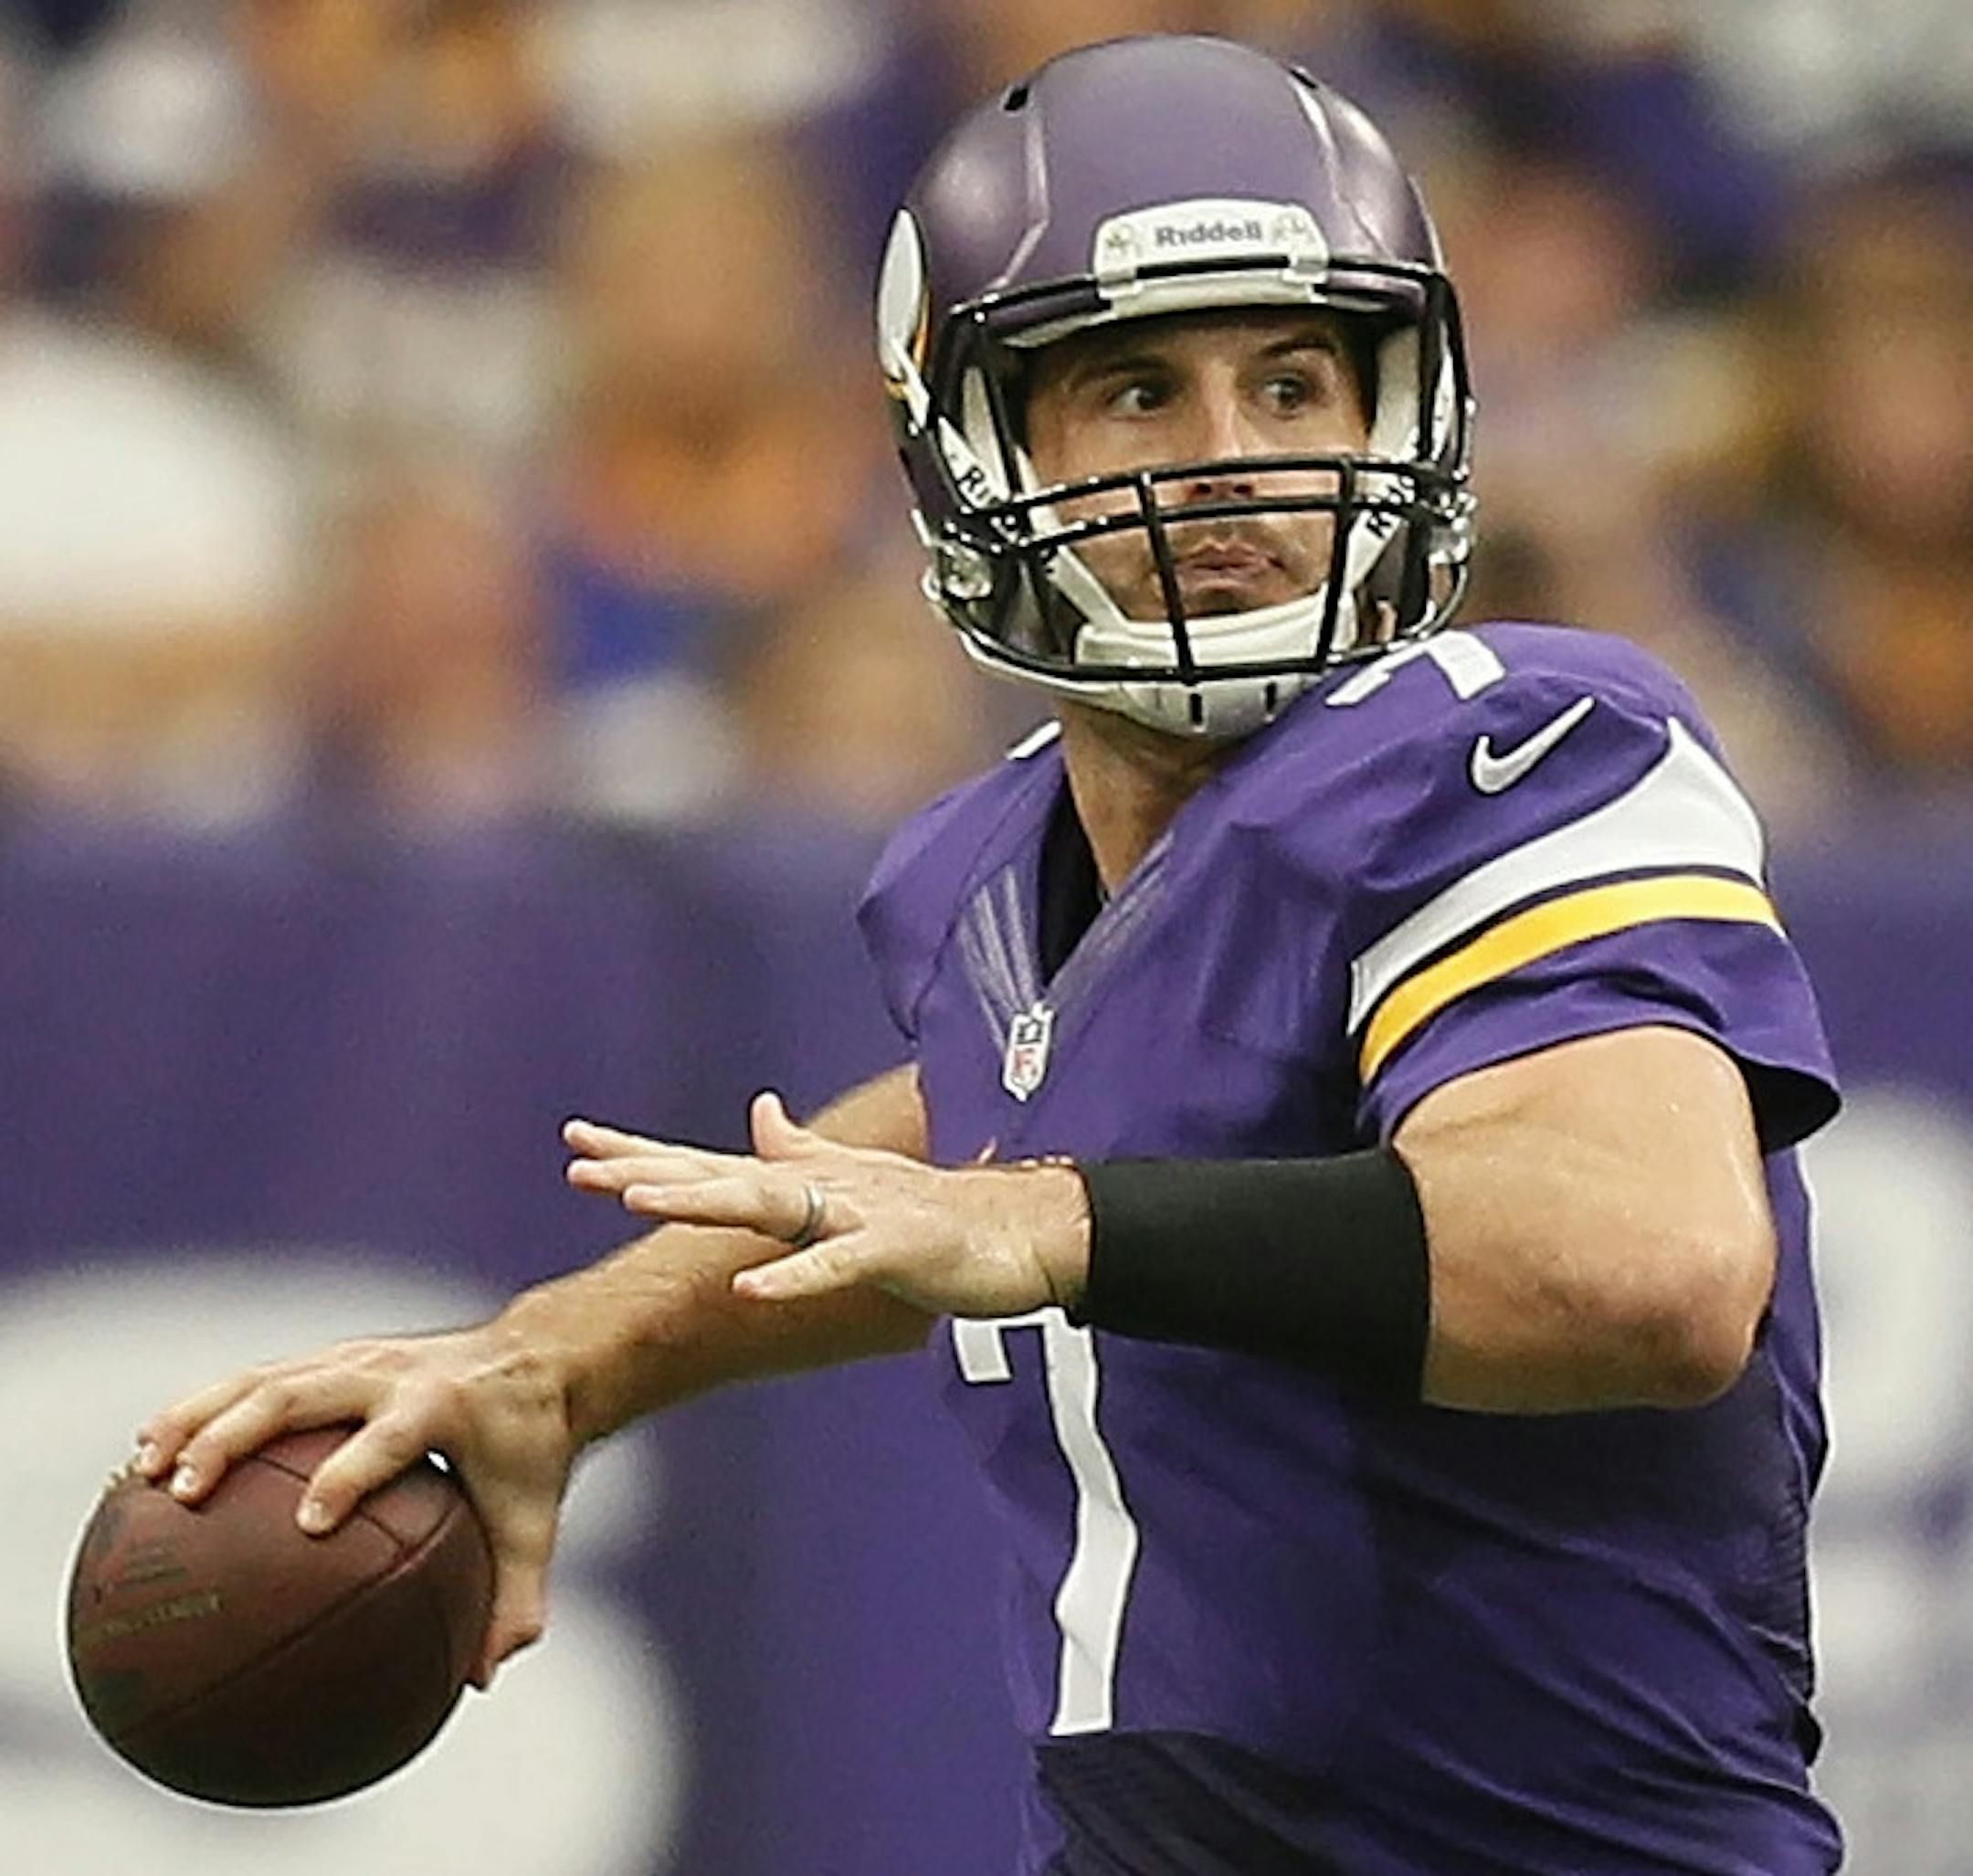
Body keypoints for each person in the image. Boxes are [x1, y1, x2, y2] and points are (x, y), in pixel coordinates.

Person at [134, 35, 1845, 1874]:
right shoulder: (996, 865)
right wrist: (556, 1358)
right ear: (970, 446)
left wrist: (1050, 1222)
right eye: (1138, 391)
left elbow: (1651, 1261)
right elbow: (976, 1133)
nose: (1233, 461)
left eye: (1290, 381)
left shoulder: (1507, 749)